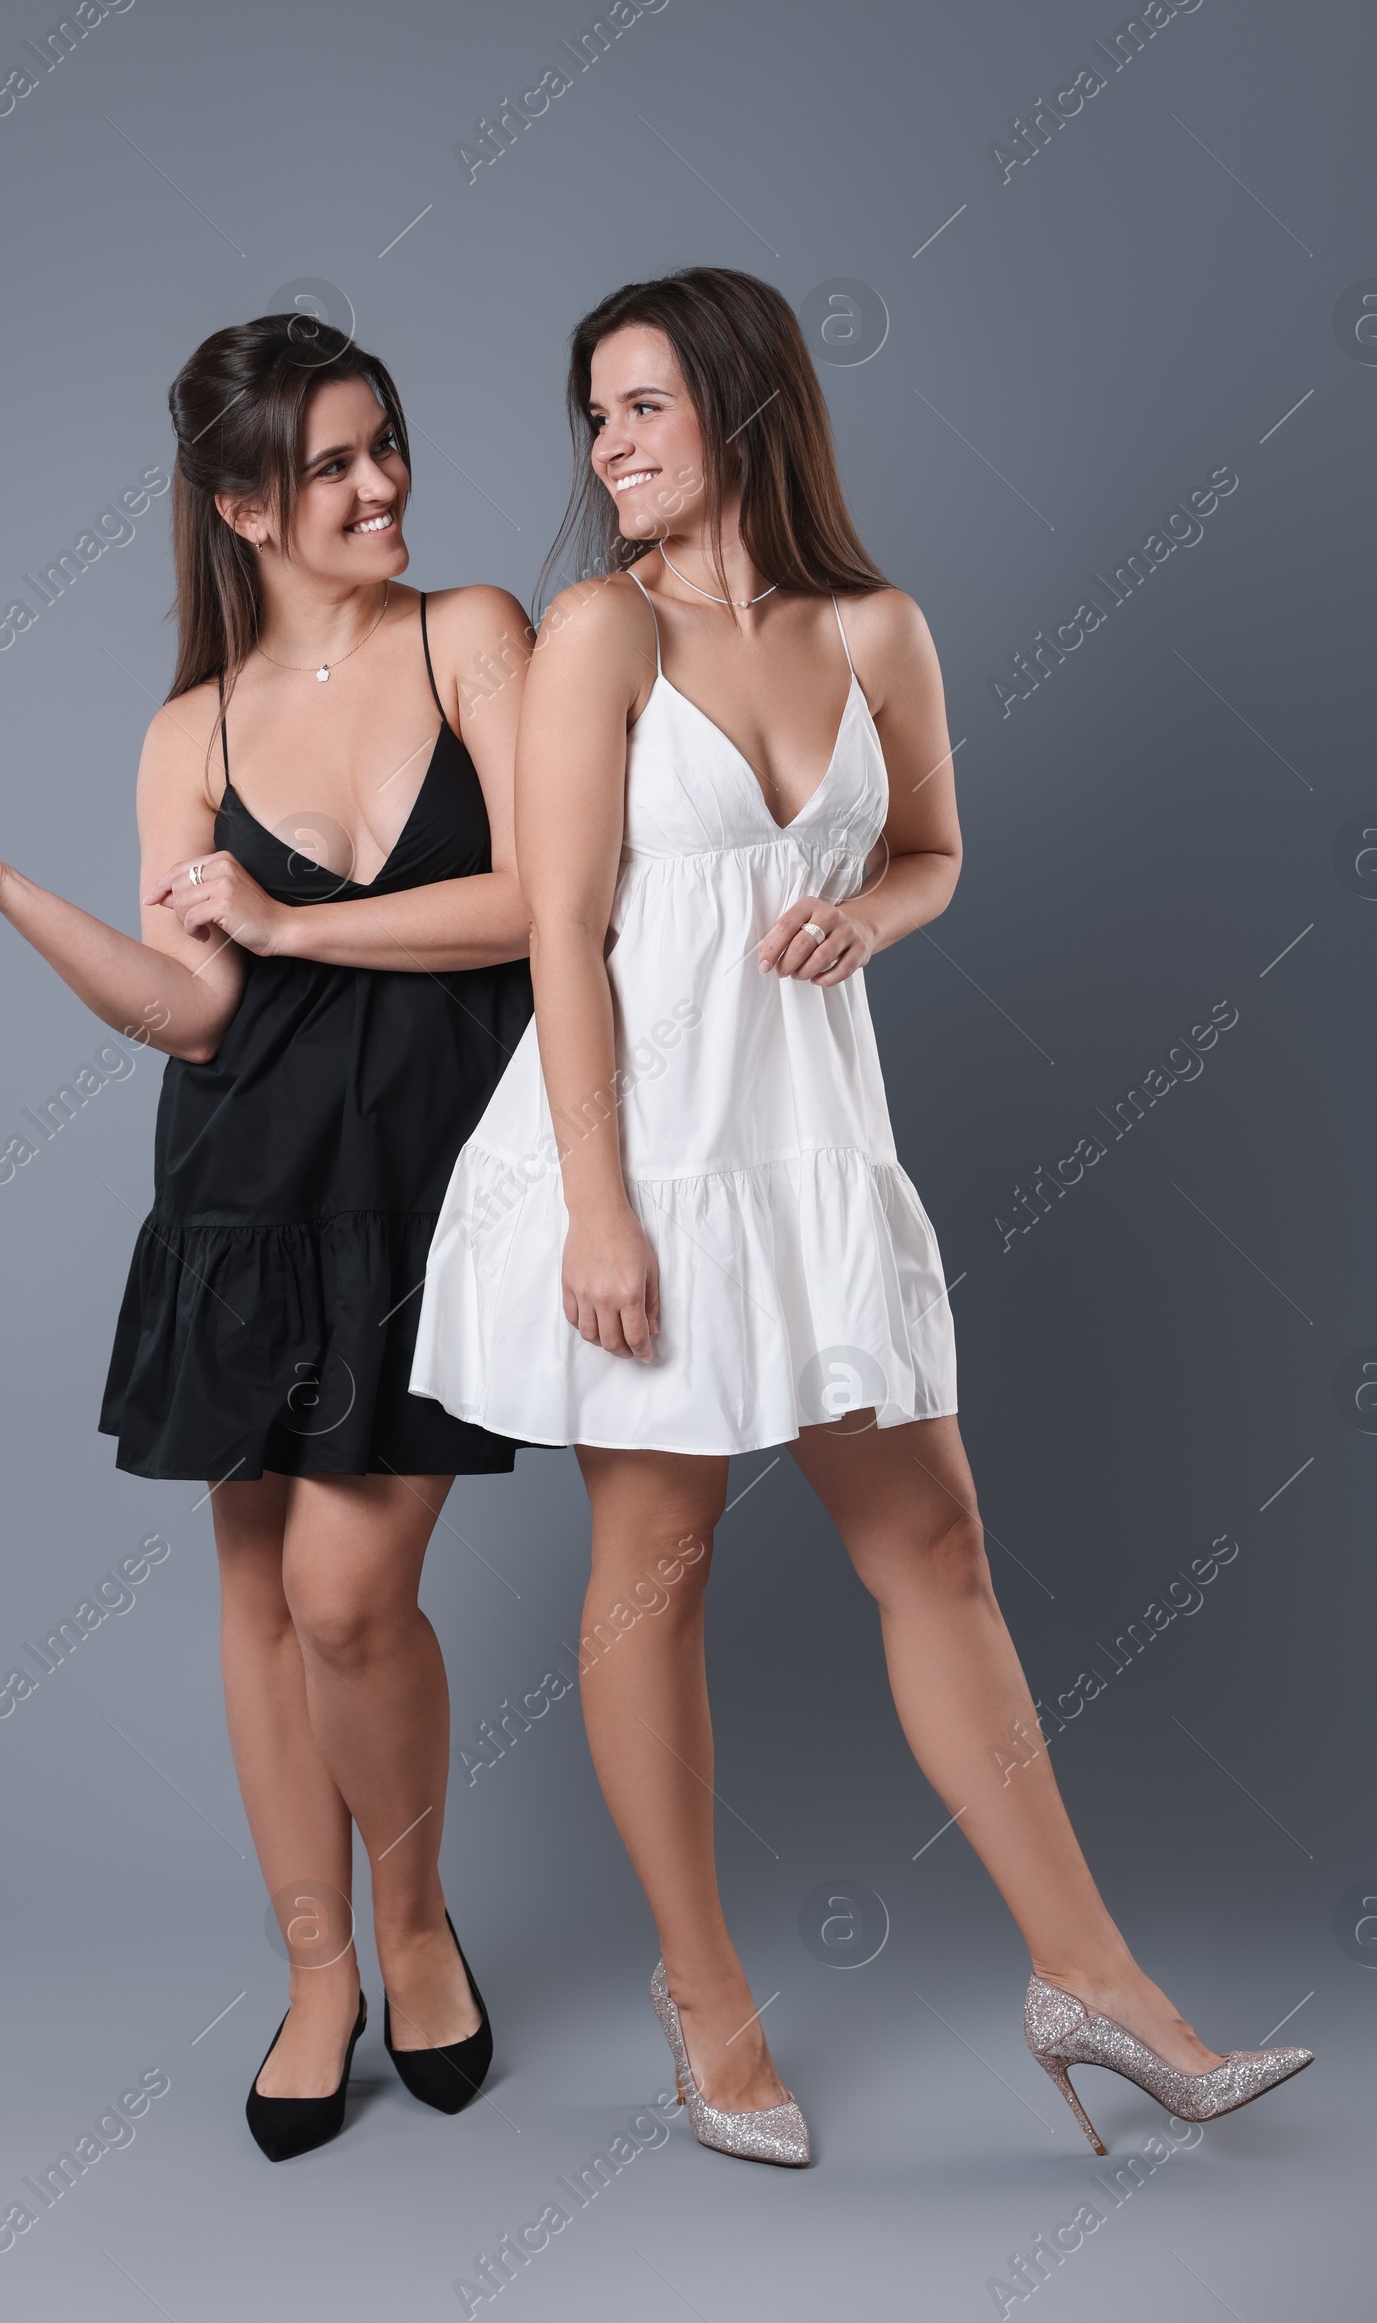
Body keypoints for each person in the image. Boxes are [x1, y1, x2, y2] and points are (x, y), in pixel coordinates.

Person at [411, 268, 1311, 2165]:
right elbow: (558, 936)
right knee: (654, 1563)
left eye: (643, 405)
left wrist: (864, 918)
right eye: (594, 415)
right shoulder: (595, 633)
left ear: (741, 405)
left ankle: (1099, 1986)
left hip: (815, 1154)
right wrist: (597, 1208)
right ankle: (705, 1995)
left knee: (940, 1549)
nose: (609, 446)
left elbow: (933, 854)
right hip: (643, 1155)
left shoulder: (878, 628)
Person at [0, 315, 535, 2160]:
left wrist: (295, 925)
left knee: (343, 1593)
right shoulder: (192, 730)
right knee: (254, 1591)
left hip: (433, 1190)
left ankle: (414, 1926)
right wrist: (3, 893)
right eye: (332, 464)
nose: (383, 482)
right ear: (243, 504)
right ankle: (320, 1969)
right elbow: (192, 1010)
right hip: (241, 1195)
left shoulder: (475, 636)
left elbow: (551, 897)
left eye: (386, 442)